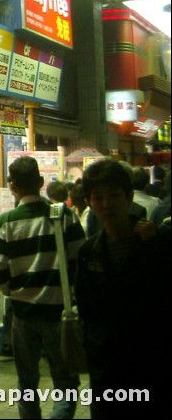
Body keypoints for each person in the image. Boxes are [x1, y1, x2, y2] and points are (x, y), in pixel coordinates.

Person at [0, 156, 86, 419]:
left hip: (23, 314)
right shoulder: (64, 216)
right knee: (65, 383)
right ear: (41, 182)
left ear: (12, 186)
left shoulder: (5, 222)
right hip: (60, 313)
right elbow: (80, 260)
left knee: (27, 384)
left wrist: (14, 293)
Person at [76, 159, 171, 419]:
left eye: (114, 196)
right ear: (88, 201)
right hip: (106, 368)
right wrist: (92, 345)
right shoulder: (89, 252)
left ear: (129, 196)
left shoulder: (156, 243)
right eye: (98, 197)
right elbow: (84, 306)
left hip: (152, 364)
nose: (107, 205)